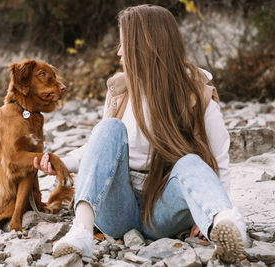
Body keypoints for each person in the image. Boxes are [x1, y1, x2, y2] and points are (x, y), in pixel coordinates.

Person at [34, 4, 246, 264]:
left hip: (164, 210)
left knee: (190, 162)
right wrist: (62, 162)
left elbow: (219, 159)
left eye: (125, 44)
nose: (119, 52)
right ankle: (81, 232)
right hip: (117, 210)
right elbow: (101, 149)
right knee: (108, 128)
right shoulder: (119, 91)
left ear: (146, 46)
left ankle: (225, 223)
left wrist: (208, 214)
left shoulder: (196, 94)